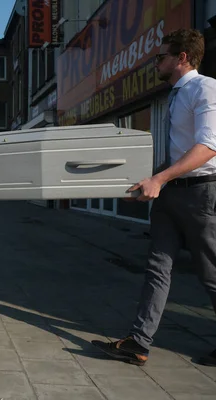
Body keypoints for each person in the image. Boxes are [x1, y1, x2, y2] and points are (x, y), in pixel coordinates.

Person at [92, 29, 216, 366]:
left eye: (160, 57)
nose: (156, 63)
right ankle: (138, 342)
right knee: (157, 269)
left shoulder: (205, 88)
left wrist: (160, 178)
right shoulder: (176, 95)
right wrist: (148, 183)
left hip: (201, 194)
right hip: (172, 193)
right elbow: (176, 153)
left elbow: (208, 146)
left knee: (211, 274)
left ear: (182, 58)